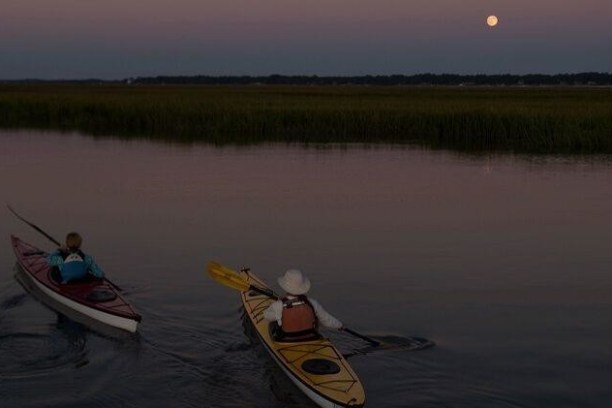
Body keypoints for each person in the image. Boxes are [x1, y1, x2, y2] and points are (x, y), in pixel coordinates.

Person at [263, 269, 344, 341]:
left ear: (285, 287)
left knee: (273, 323)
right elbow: (327, 320)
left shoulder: (279, 305)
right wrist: (339, 325)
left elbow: (266, 316)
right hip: (311, 338)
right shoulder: (312, 303)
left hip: (287, 340)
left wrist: (277, 312)